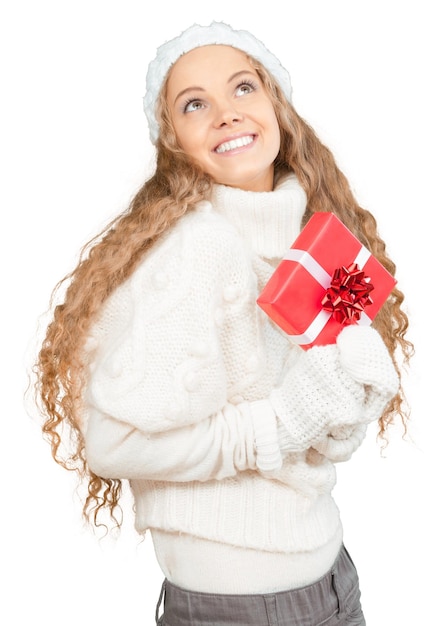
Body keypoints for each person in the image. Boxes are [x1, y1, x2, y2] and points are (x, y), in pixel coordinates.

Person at [35, 21, 413, 626]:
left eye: (243, 89)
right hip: (238, 608)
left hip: (332, 581)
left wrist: (341, 406)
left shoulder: (311, 243)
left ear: (277, 108)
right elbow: (113, 443)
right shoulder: (194, 250)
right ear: (174, 142)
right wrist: (280, 422)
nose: (227, 114)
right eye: (194, 105)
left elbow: (306, 435)